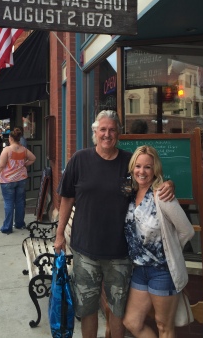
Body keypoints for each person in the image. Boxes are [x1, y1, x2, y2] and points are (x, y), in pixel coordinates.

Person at [54, 110, 174, 338]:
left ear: (118, 133)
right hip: (85, 251)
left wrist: (169, 183)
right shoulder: (79, 159)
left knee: (117, 311)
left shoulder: (129, 163)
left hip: (120, 253)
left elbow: (150, 180)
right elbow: (67, 198)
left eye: (112, 130)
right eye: (103, 130)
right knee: (87, 310)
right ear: (95, 133)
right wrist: (59, 234)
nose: (107, 134)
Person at [123, 146, 195, 338]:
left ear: (155, 169)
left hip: (162, 271)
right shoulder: (130, 195)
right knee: (132, 322)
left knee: (164, 326)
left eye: (148, 167)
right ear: (132, 168)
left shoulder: (162, 196)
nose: (142, 171)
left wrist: (170, 249)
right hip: (139, 270)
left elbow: (187, 230)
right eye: (138, 166)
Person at [0, 127, 36, 234]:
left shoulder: (7, 150)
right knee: (20, 202)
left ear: (11, 138)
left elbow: (1, 165)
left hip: (8, 180)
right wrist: (24, 164)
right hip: (21, 179)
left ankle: (7, 227)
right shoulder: (24, 150)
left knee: (8, 203)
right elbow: (33, 158)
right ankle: (20, 224)